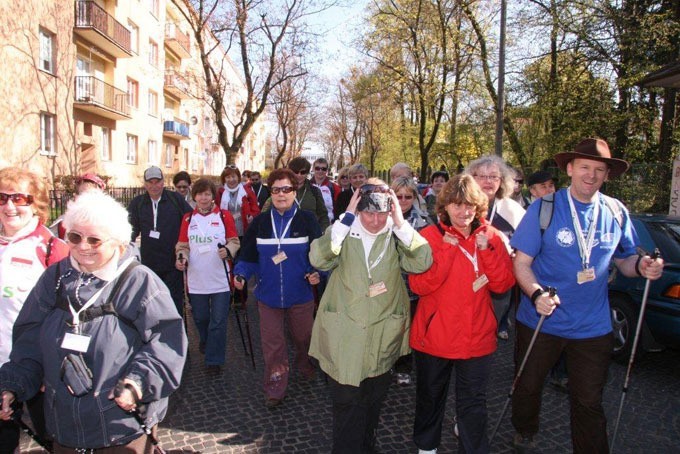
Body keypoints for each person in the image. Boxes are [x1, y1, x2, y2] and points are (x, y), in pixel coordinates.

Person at [0, 190, 187, 452]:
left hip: (121, 428)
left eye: (94, 240)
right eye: (74, 237)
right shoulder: (54, 279)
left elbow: (166, 343)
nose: (82, 247)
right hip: (63, 426)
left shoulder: (139, 282)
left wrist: (137, 383)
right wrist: (13, 386)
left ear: (119, 244)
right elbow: (29, 341)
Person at [509, 138, 664, 453]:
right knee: (527, 387)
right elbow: (521, 263)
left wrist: (644, 265)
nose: (591, 176)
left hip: (592, 327)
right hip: (542, 320)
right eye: (584, 167)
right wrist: (536, 293)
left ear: (607, 175)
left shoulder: (616, 211)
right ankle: (524, 430)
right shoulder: (545, 207)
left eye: (599, 170)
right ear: (570, 169)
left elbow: (625, 260)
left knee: (589, 400)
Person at [309, 180, 433, 453]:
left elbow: (423, 260)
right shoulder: (343, 232)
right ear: (357, 208)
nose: (375, 220)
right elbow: (319, 259)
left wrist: (400, 224)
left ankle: (367, 446)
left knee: (372, 402)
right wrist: (346, 219)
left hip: (381, 333)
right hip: (345, 333)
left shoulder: (395, 235)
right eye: (368, 212)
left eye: (381, 212)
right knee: (346, 403)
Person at [409, 174, 515, 454]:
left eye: (469, 205)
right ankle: (426, 447)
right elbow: (418, 284)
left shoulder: (491, 236)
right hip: (435, 335)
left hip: (476, 335)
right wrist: (445, 250)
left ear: (478, 206)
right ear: (445, 207)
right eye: (456, 205)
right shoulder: (429, 236)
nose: (463, 212)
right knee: (430, 397)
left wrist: (488, 251)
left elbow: (504, 284)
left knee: (474, 402)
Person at [234, 168, 322, 408]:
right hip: (268, 295)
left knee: (303, 337)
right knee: (273, 344)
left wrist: (317, 273)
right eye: (276, 190)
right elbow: (248, 256)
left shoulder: (307, 220)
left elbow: (320, 255)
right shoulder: (261, 223)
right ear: (270, 193)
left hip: (300, 293)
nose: (281, 194)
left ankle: (304, 361)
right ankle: (275, 385)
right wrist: (241, 273)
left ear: (295, 191)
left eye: (286, 189)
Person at [0, 167, 69, 453]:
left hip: (39, 370)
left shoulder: (54, 249)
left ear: (36, 203)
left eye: (20, 198)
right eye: (2, 198)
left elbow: (69, 317)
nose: (9, 206)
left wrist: (46, 369)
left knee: (54, 441)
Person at [175, 178, 240, 375]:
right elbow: (182, 246)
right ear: (194, 196)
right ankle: (205, 340)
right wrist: (181, 258)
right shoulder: (188, 218)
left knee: (218, 321)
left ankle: (214, 360)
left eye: (207, 194)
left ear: (213, 196)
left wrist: (228, 251)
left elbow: (234, 241)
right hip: (196, 280)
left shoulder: (223, 216)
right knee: (201, 318)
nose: (203, 198)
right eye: (200, 194)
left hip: (220, 279)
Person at [466, 156, 526, 340]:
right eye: (482, 176)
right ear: (471, 178)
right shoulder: (461, 205)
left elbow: (525, 247)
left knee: (487, 332)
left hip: (498, 283)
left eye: (494, 176)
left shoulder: (513, 211)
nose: (488, 181)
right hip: (466, 280)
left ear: (502, 181)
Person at [128, 166, 193, 317]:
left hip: (172, 261)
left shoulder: (174, 199)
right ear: (145, 184)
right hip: (149, 262)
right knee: (151, 300)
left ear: (163, 182)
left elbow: (191, 220)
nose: (154, 185)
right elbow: (130, 229)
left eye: (157, 181)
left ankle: (176, 333)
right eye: (150, 182)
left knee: (174, 300)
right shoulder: (138, 203)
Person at [391, 176, 433, 386]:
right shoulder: (379, 218)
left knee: (407, 328)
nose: (403, 200)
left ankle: (403, 366)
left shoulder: (424, 221)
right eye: (398, 196)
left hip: (412, 285)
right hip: (386, 283)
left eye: (408, 196)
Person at [51, 173, 107, 239]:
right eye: (83, 195)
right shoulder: (62, 225)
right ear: (76, 197)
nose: (88, 199)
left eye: (93, 195)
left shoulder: (110, 224)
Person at [216, 165, 260, 239]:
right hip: (227, 230)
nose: (231, 180)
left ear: (238, 177)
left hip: (244, 229)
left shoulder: (246, 191)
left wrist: (252, 216)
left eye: (233, 176)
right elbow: (216, 210)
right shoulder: (221, 192)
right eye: (228, 177)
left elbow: (256, 208)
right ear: (224, 179)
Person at [312, 157, 341, 222]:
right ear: (313, 169)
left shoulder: (335, 188)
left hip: (328, 224)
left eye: (323, 169)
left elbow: (338, 208)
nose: (320, 171)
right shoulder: (307, 186)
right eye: (317, 168)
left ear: (327, 170)